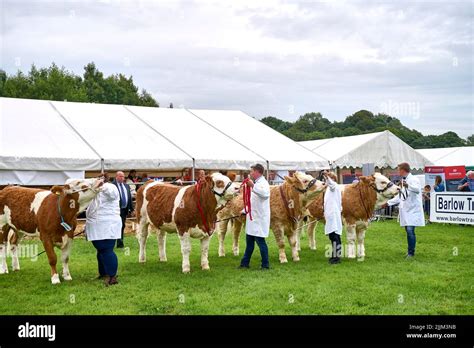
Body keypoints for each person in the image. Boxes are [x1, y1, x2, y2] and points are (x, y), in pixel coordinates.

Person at [385, 162, 425, 259]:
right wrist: (387, 203)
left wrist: (408, 186)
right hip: (406, 210)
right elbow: (401, 196)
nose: (398, 171)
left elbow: (417, 190)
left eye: (399, 169)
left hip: (413, 210)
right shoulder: (403, 181)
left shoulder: (414, 179)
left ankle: (411, 253)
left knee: (410, 230)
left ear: (403, 170)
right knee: (408, 230)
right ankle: (409, 250)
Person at [85, 178, 121, 286]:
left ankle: (112, 277)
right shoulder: (95, 191)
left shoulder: (110, 187)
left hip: (106, 225)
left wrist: (102, 186)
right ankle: (103, 273)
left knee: (106, 250)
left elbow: (113, 194)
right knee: (101, 250)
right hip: (98, 226)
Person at [239, 163, 270, 270]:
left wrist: (252, 186)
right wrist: (244, 210)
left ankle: (265, 265)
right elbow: (252, 201)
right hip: (252, 218)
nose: (250, 173)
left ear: (257, 172)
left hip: (259, 219)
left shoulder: (263, 183)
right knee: (249, 244)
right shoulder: (257, 183)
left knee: (261, 243)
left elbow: (265, 194)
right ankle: (244, 263)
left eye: (252, 171)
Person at [323, 171, 343, 264]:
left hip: (333, 215)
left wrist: (327, 176)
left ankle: (336, 258)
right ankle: (334, 256)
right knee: (333, 237)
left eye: (328, 179)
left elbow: (331, 184)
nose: (326, 180)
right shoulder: (329, 189)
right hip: (330, 215)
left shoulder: (334, 186)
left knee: (335, 237)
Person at [112, 171, 133, 248]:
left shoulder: (126, 186)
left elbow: (129, 197)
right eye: (120, 176)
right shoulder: (112, 186)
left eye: (123, 176)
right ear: (116, 177)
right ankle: (112, 242)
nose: (122, 178)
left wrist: (131, 208)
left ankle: (120, 242)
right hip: (115, 210)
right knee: (114, 225)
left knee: (122, 225)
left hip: (124, 210)